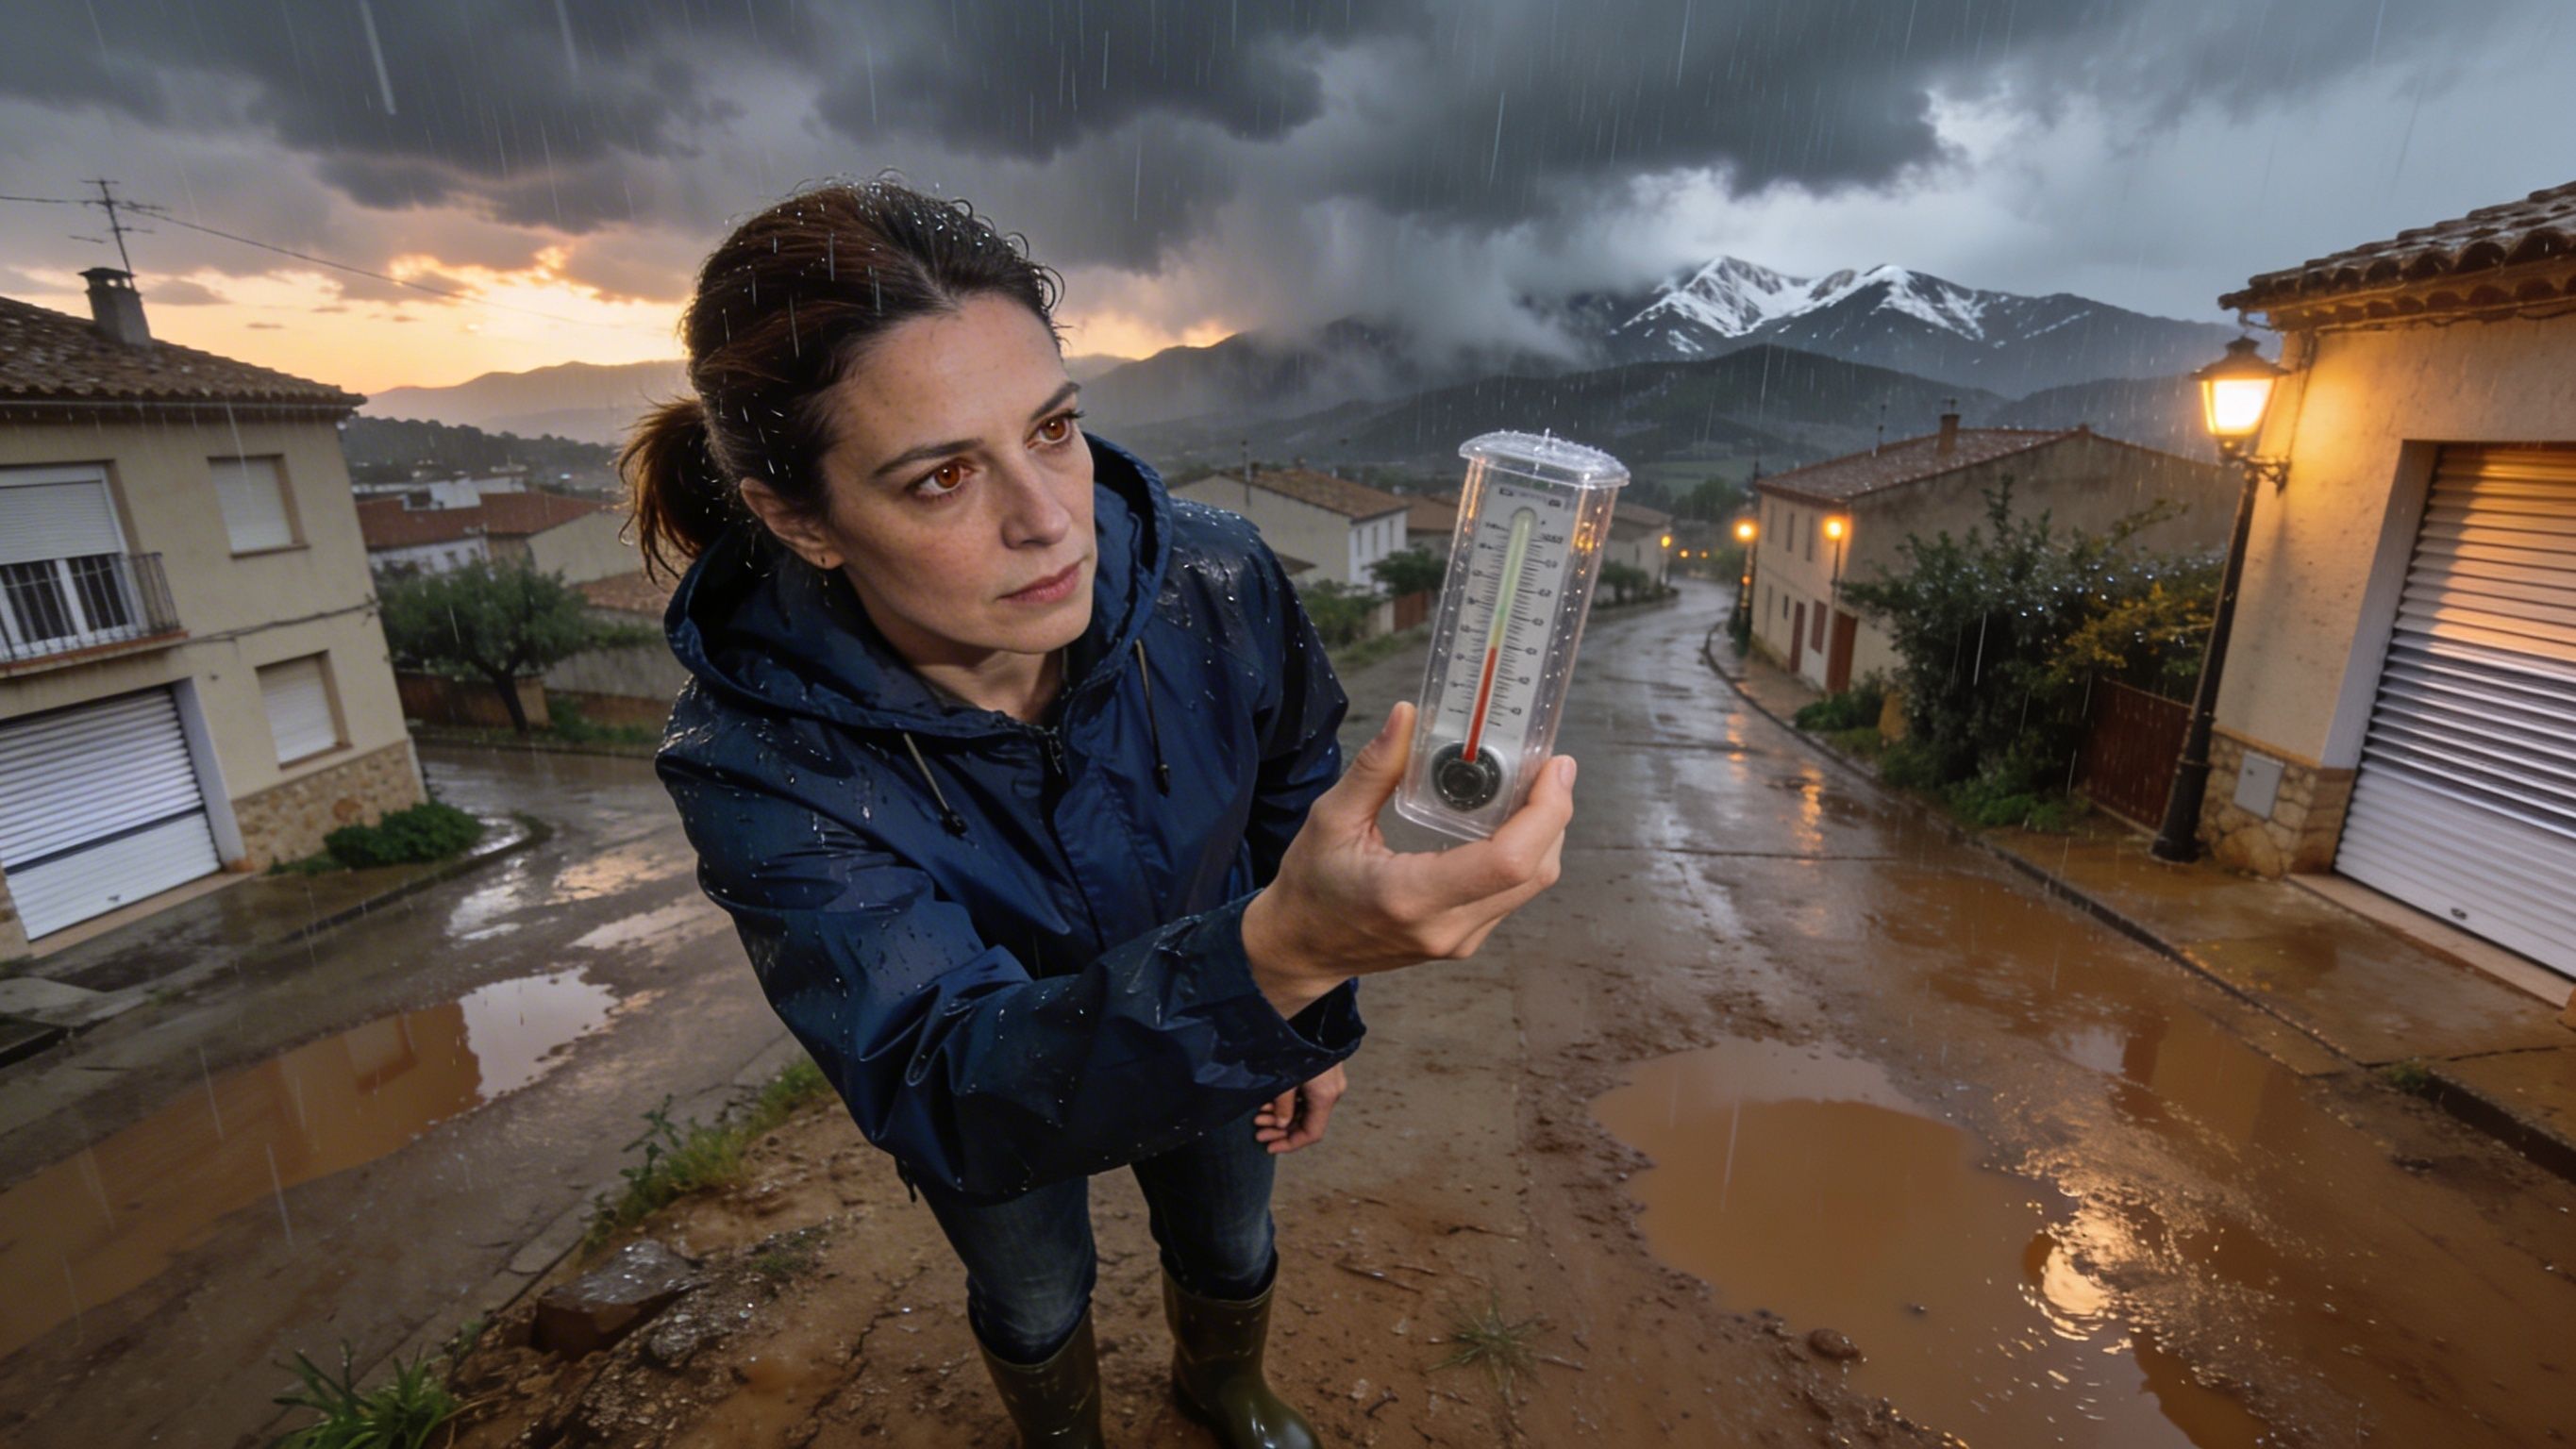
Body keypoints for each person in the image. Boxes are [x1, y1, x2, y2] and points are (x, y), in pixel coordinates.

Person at [623, 176, 1577, 1448]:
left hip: (1229, 1028)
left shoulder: (1218, 578)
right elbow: (939, 1081)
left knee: (1232, 1231)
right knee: (1029, 1285)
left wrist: (1312, 1014)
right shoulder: (757, 756)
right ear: (800, 518)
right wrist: (1282, 958)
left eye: (1055, 428)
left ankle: (1219, 1386)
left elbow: (1295, 789)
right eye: (941, 477)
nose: (1047, 521)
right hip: (1036, 1088)